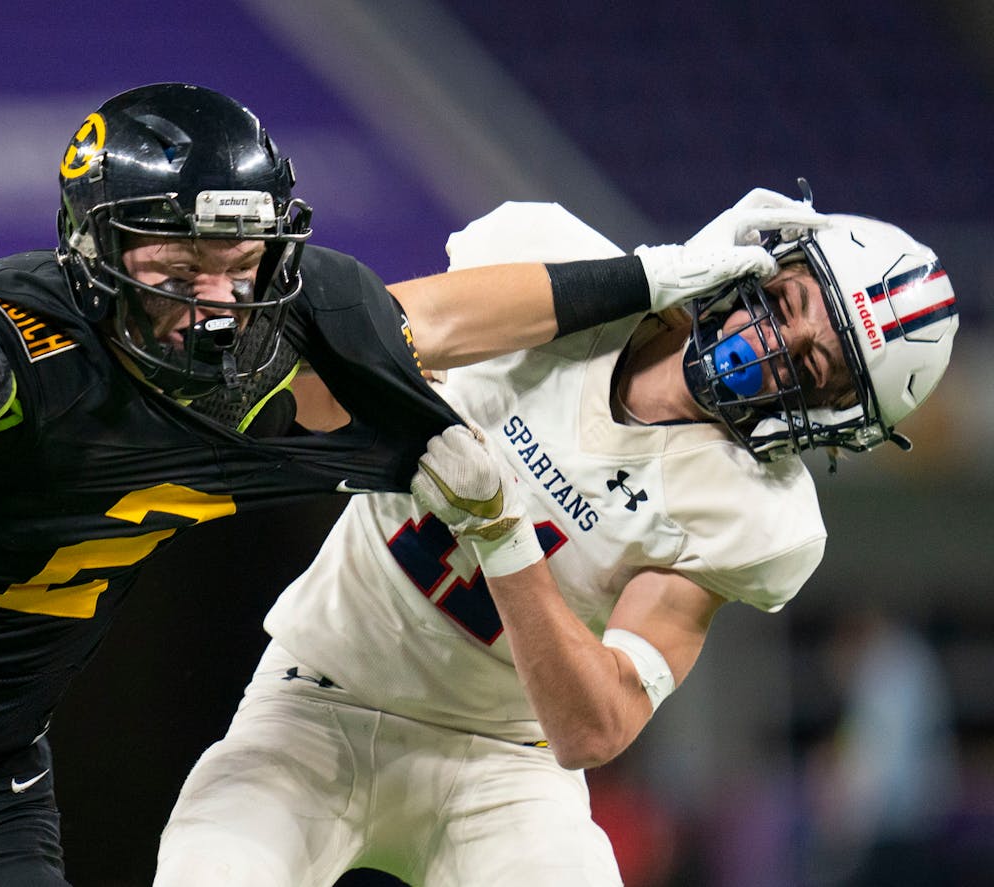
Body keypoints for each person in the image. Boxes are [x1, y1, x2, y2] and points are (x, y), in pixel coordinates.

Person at [0, 82, 782, 886]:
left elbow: (441, 315)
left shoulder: (301, 347)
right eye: (177, 266)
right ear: (97, 252)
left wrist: (648, 274)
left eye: (241, 260)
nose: (217, 298)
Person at [155, 187, 959, 886]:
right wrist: (643, 277)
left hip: (502, 762)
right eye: (784, 305)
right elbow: (357, 347)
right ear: (757, 261)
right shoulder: (553, 257)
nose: (772, 348)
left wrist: (504, 534)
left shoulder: (753, 514)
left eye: (816, 366)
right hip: (320, 690)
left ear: (834, 415)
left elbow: (594, 727)